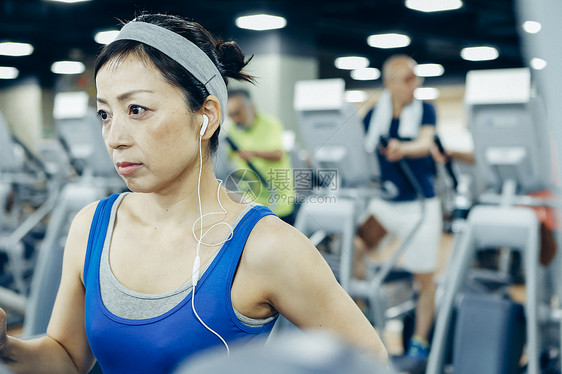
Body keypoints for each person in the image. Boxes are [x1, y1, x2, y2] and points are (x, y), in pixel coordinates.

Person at [0, 13, 387, 373]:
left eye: (136, 109)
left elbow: (369, 362)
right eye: (105, 114)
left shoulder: (267, 247)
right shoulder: (91, 227)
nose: (114, 138)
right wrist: (6, 346)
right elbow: (67, 357)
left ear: (207, 116)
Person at [356, 55, 441, 370]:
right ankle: (362, 317)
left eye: (416, 77)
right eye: (407, 79)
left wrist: (402, 149)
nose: (414, 84)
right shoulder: (374, 115)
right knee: (354, 246)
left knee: (425, 279)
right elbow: (359, 148)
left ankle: (419, 342)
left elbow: (424, 143)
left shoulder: (425, 110)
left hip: (421, 205)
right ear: (389, 83)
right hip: (385, 204)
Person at [226, 89, 297, 225]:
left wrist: (252, 154)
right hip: (251, 200)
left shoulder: (271, 124)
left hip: (279, 200)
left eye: (238, 113)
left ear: (251, 107)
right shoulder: (233, 130)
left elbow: (278, 154)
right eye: (231, 115)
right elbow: (230, 159)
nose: (235, 119)